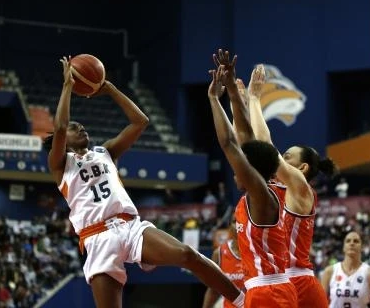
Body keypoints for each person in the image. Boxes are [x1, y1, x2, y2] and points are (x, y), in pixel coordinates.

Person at [44, 56, 245, 308]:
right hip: (97, 237)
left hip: (129, 226)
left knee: (187, 254)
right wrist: (68, 87)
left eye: (81, 125)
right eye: (76, 127)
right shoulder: (60, 165)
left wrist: (111, 89)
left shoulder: (105, 152)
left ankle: (243, 300)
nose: (81, 128)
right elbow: (61, 127)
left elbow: (141, 121)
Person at [208, 50, 296, 307]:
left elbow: (229, 144)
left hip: (270, 292)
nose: (235, 170)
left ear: (251, 169)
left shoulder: (261, 195)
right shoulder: (263, 189)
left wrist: (214, 98)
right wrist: (235, 93)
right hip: (266, 290)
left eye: (241, 167)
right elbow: (244, 136)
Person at [245, 63, 337, 308]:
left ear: (302, 168)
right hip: (282, 279)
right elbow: (251, 144)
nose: (281, 159)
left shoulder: (300, 186)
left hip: (297, 280)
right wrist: (237, 100)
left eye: (287, 157)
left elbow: (264, 146)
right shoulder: (277, 189)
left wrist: (254, 98)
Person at [202, 213, 245, 308]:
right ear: (229, 226)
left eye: (242, 220)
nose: (238, 224)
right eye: (234, 221)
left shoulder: (259, 251)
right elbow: (213, 290)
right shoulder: (219, 253)